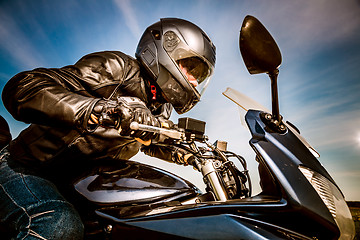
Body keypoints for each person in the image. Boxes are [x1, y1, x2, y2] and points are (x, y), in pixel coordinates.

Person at [0, 18, 215, 239]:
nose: (195, 82)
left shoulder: (160, 108)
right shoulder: (117, 69)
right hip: (25, 166)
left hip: (78, 182)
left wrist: (195, 156)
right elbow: (24, 87)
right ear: (165, 50)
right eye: (190, 67)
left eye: (199, 76)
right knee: (57, 223)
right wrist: (101, 108)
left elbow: (156, 141)